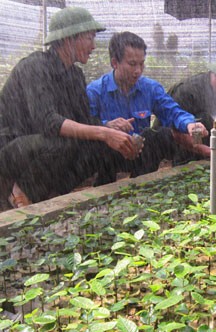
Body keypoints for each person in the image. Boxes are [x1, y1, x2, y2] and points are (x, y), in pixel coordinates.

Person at [0, 7, 139, 208]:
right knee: (64, 143)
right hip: (11, 148)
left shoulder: (74, 76)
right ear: (68, 39)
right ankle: (20, 191)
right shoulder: (35, 66)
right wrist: (102, 132)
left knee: (95, 146)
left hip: (40, 147)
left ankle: (50, 195)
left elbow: (83, 121)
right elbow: (48, 122)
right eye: (89, 38)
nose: (93, 46)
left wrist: (109, 127)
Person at [87, 31, 210, 179]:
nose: (138, 70)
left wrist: (189, 124)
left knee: (157, 136)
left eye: (141, 63)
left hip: (140, 153)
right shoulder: (95, 91)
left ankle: (143, 183)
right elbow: (86, 126)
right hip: (109, 155)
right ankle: (104, 184)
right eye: (132, 64)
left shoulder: (150, 88)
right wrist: (106, 127)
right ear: (115, 63)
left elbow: (171, 111)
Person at [157, 54, 216, 165]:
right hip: (167, 141)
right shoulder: (188, 91)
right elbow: (175, 133)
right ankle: (186, 164)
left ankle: (207, 159)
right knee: (202, 119)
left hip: (195, 139)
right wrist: (209, 151)